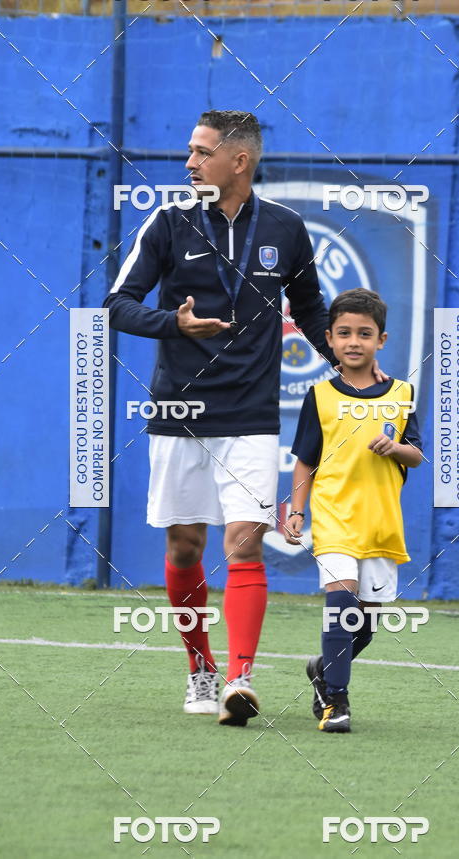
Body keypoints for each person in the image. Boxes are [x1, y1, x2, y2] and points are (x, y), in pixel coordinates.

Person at [104, 109, 349, 726]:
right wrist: (174, 323)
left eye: (201, 152)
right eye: (189, 151)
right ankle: (202, 670)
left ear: (238, 161)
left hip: (251, 413)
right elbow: (117, 305)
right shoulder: (167, 223)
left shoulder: (288, 229)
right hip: (178, 411)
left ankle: (240, 677)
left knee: (245, 542)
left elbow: (310, 304)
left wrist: (341, 358)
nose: (189, 163)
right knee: (187, 545)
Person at [284, 288, 423, 733]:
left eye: (365, 333)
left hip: (381, 523)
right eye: (344, 333)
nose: (354, 341)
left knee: (364, 625)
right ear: (329, 338)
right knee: (340, 604)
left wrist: (395, 447)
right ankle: (337, 704)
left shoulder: (402, 393)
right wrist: (297, 511)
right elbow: (306, 458)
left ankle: (323, 670)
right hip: (334, 516)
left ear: (381, 340)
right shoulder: (320, 395)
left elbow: (417, 454)